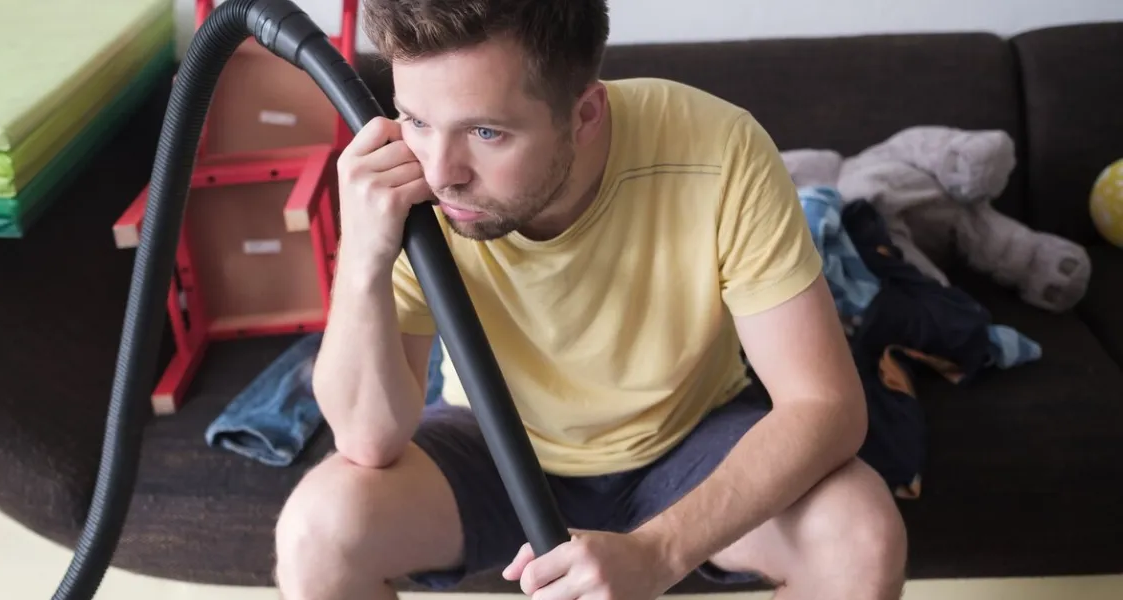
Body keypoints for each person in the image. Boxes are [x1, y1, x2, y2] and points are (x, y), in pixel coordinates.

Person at [274, 1, 908, 598]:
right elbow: (367, 441)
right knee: (317, 532)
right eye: (416, 119)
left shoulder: (719, 151)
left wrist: (659, 553)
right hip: (494, 445)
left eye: (487, 132)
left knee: (859, 533)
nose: (442, 173)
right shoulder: (410, 183)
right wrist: (362, 255)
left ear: (584, 114)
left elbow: (825, 405)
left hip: (687, 437)